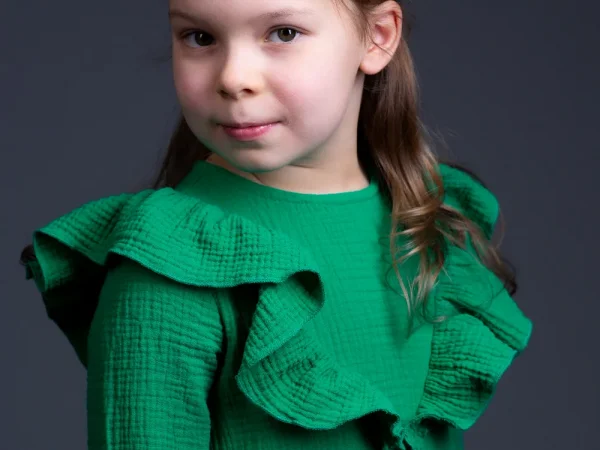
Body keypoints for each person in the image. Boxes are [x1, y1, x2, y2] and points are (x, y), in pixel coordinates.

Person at [19, 0, 533, 449]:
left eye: (283, 33)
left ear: (377, 36)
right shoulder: (167, 267)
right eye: (199, 37)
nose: (232, 78)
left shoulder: (427, 223)